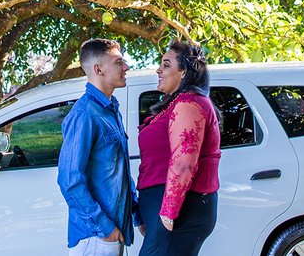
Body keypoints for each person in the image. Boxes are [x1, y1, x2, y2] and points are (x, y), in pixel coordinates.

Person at [58, 38, 143, 255]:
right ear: (98, 69)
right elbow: (69, 180)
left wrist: (136, 215)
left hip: (113, 232)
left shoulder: (110, 109)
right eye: (118, 62)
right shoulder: (84, 114)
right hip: (96, 237)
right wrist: (104, 227)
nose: (126, 67)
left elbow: (119, 172)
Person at [135, 41, 221, 256]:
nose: (158, 70)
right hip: (170, 209)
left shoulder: (189, 104)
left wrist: (167, 214)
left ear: (184, 72)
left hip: (181, 211)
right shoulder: (178, 103)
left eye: (166, 65)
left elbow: (184, 164)